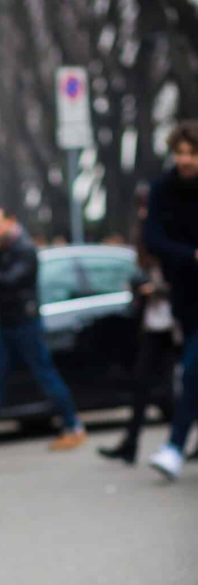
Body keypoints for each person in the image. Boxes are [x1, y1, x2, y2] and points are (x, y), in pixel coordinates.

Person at [0, 206, 86, 454]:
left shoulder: (25, 248)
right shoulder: (7, 247)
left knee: (45, 375)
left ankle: (73, 426)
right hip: (9, 324)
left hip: (26, 324)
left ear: (11, 221)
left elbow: (9, 280)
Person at [99, 184, 177, 465]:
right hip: (155, 321)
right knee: (142, 382)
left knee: (183, 384)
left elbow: (181, 274)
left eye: (147, 206)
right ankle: (131, 444)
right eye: (140, 207)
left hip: (179, 319)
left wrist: (156, 289)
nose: (143, 212)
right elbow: (145, 271)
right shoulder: (145, 233)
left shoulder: (171, 228)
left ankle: (176, 443)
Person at [144, 121, 198, 480]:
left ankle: (175, 447)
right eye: (180, 153)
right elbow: (153, 239)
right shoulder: (162, 189)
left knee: (192, 370)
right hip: (187, 294)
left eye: (192, 153)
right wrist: (190, 256)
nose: (185, 159)